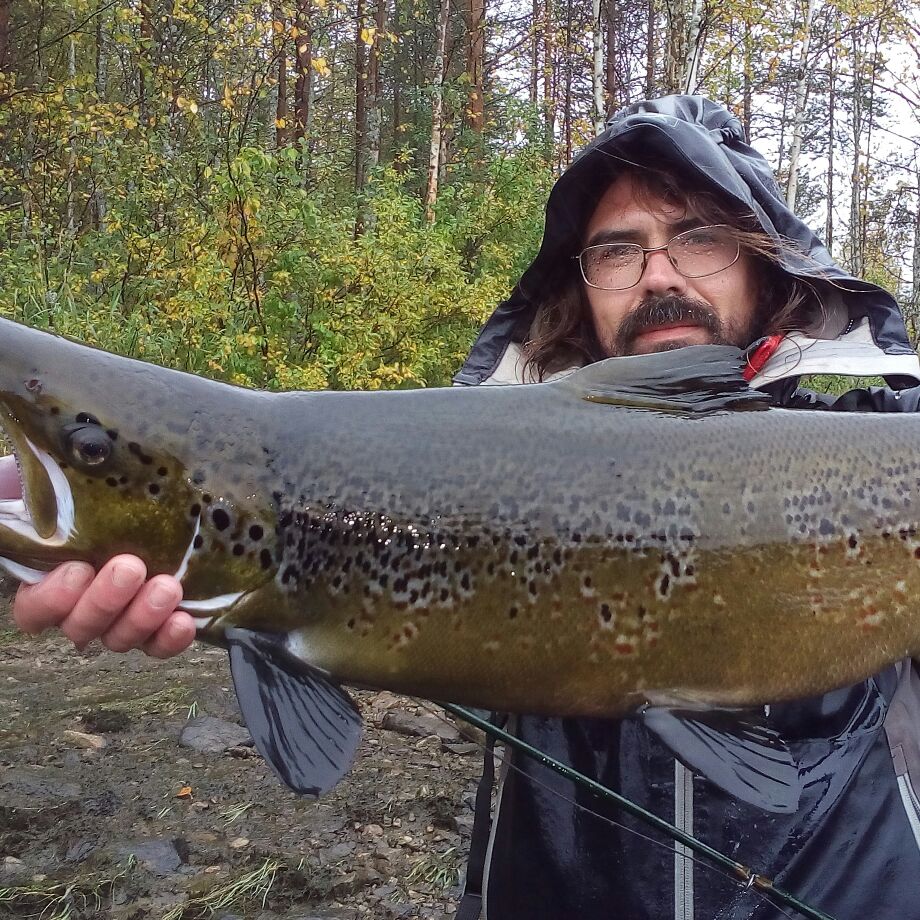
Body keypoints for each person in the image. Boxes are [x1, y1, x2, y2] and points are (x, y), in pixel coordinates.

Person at [11, 95, 920, 918]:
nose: (659, 274)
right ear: (578, 283)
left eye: (700, 238)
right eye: (617, 249)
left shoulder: (880, 435)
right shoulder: (475, 449)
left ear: (766, 262)